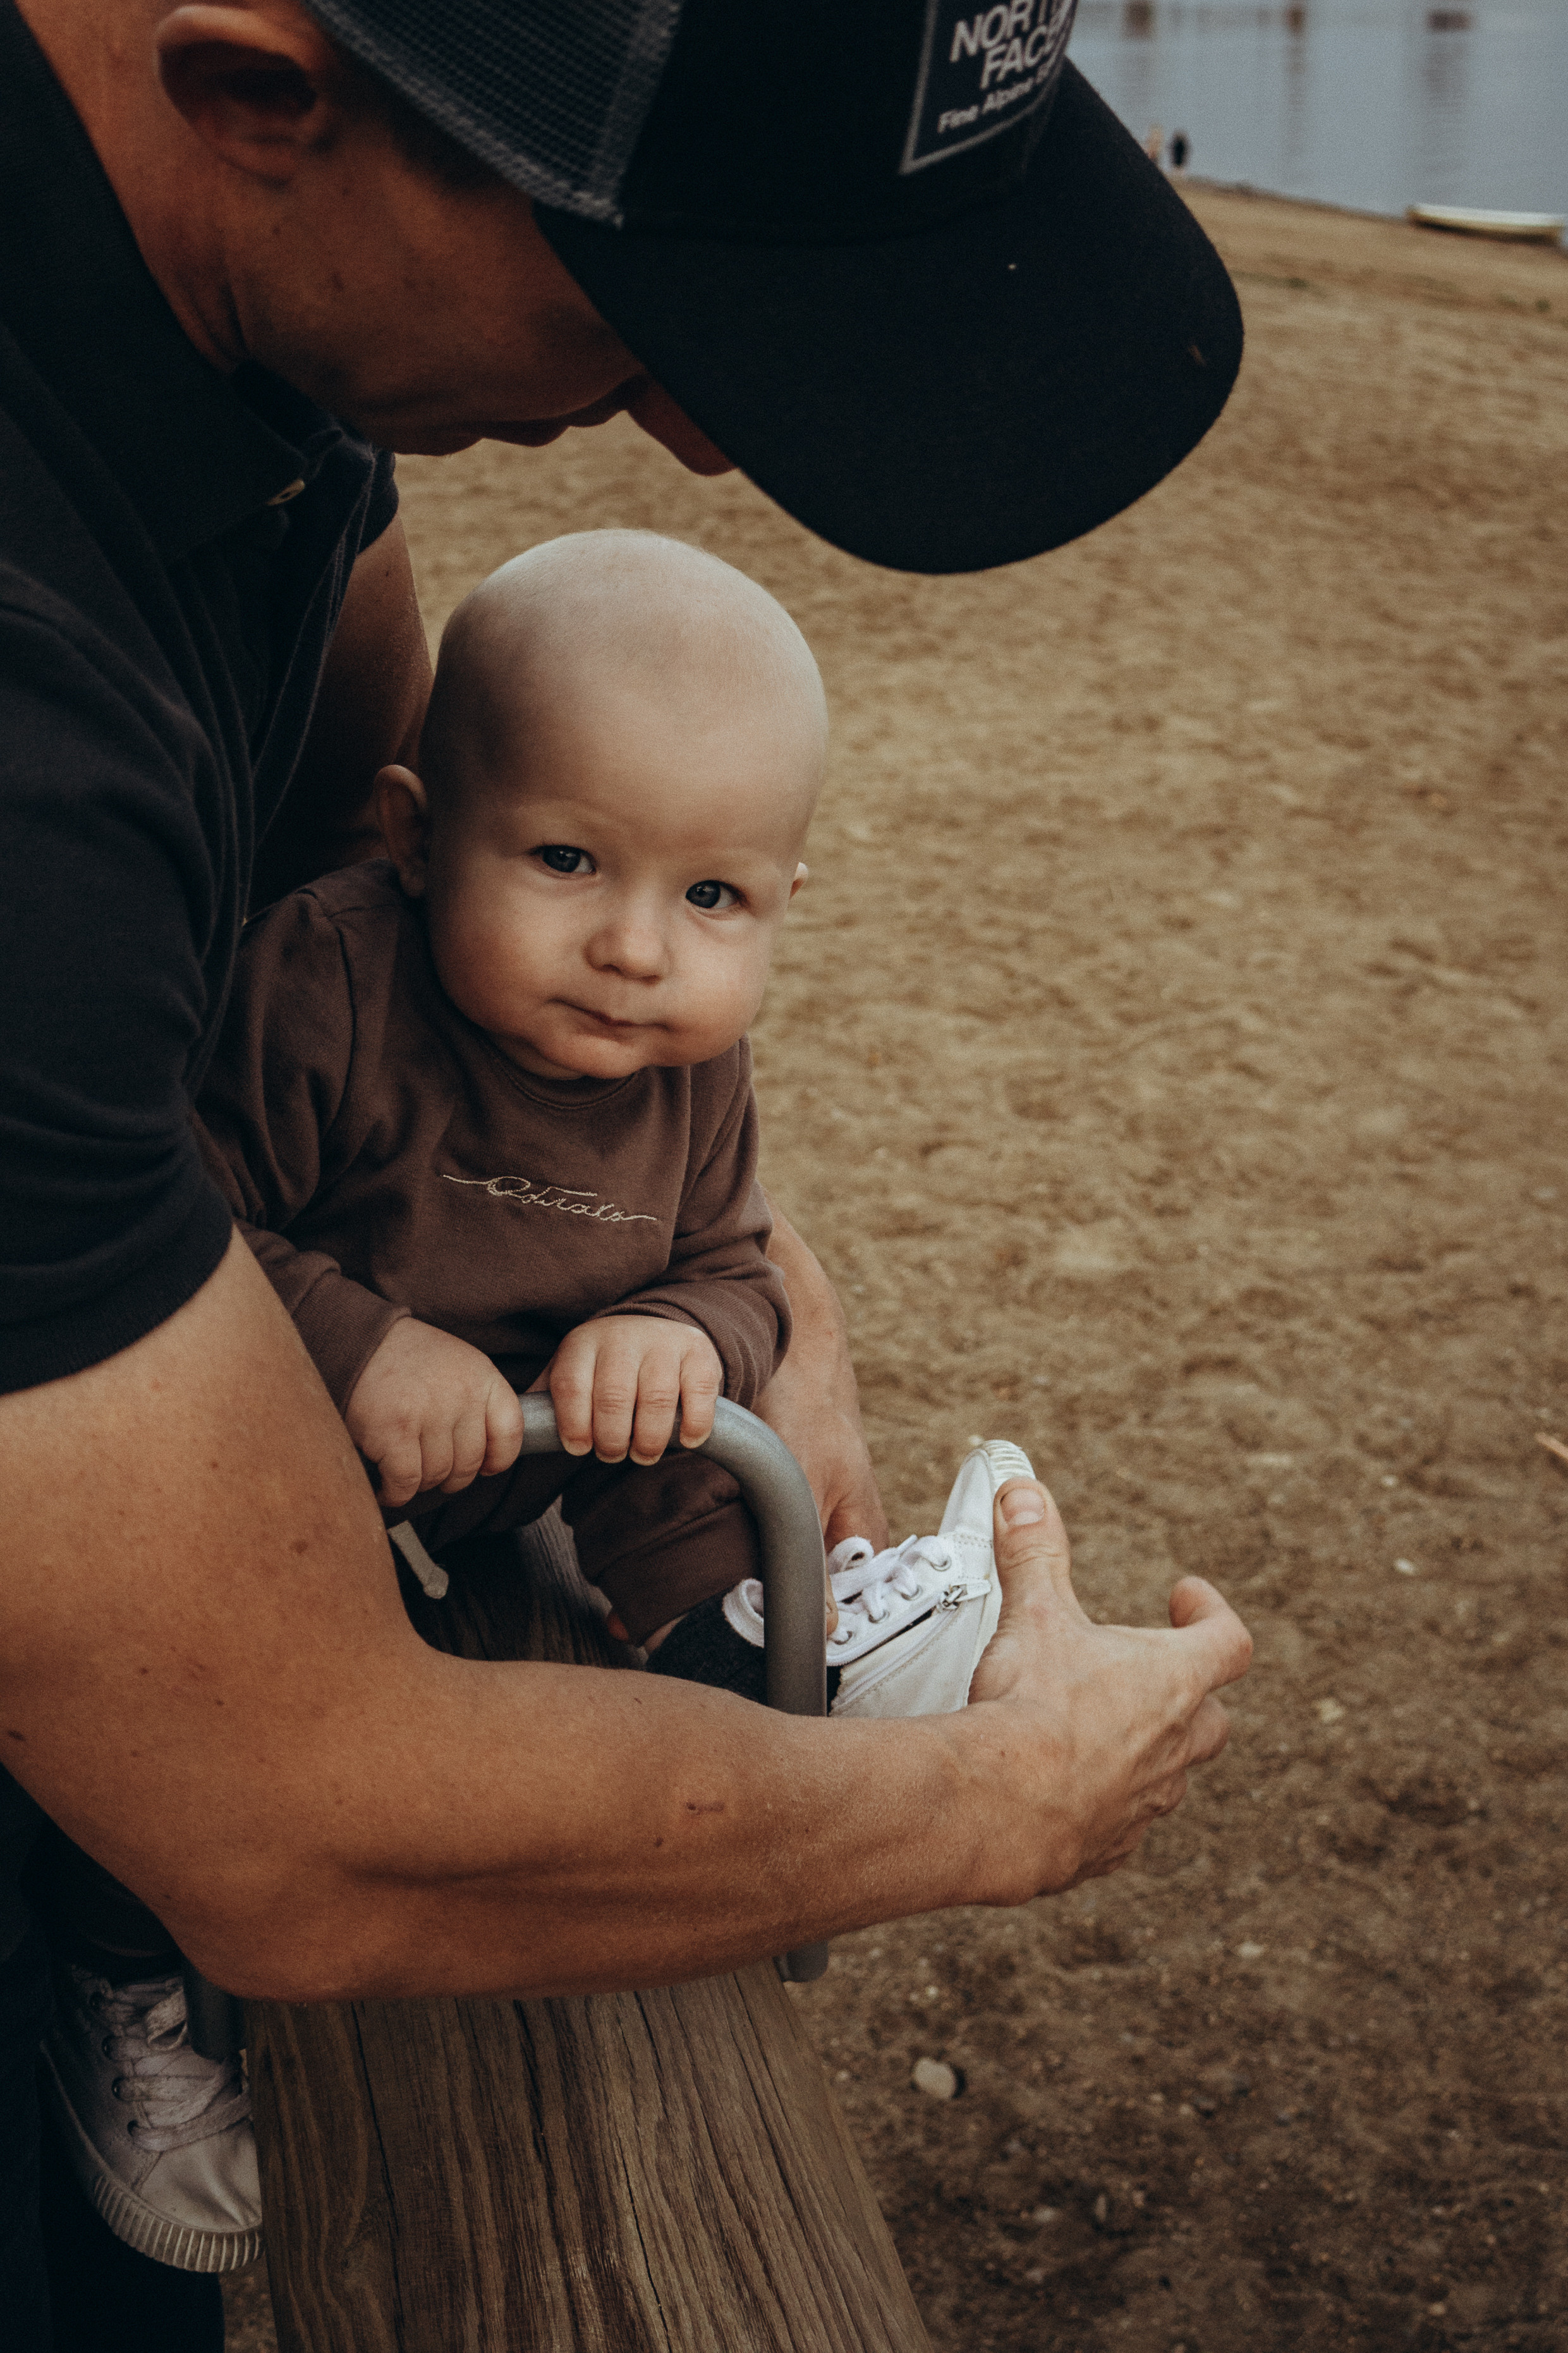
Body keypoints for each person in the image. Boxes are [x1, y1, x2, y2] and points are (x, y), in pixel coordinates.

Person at [0, 2, 1251, 2344]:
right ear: (263, 89)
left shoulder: (243, 323)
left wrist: (752, 1282)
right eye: (652, 295)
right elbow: (290, 1811)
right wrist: (995, 1806)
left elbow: (364, 900)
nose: (698, 424)